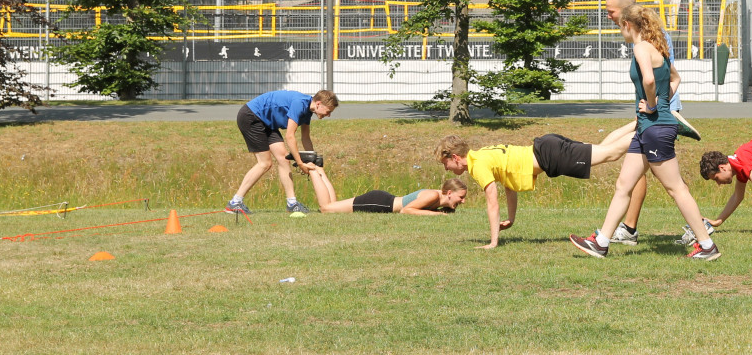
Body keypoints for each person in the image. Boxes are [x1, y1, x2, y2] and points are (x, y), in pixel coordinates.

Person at [570, 4, 720, 260]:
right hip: (646, 128)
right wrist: (661, 103)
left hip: (655, 128)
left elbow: (649, 81)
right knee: (623, 185)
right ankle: (602, 242)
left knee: (676, 189)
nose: (620, 32)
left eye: (620, 27)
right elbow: (675, 79)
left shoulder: (640, 48)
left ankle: (706, 246)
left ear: (628, 25)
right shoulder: (658, 48)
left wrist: (653, 105)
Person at [436, 122, 636, 249]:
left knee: (612, 153)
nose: (446, 169)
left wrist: (493, 242)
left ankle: (649, 129)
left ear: (455, 157)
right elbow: (509, 185)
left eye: (446, 164)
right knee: (604, 149)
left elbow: (492, 202)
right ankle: (638, 122)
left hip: (550, 156)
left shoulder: (477, 166)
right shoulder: (482, 154)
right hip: (547, 146)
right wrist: (511, 219)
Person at [602, 0, 700, 248]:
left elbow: (655, 78)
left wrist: (657, 106)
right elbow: (673, 76)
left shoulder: (644, 44)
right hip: (651, 118)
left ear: (626, 16)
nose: (607, 16)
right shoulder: (649, 37)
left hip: (658, 120)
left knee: (673, 185)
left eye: (610, 11)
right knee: (628, 181)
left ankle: (702, 235)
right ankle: (608, 238)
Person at [226, 89, 338, 216]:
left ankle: (292, 203)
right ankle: (235, 202)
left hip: (266, 122)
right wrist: (301, 163)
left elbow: (305, 138)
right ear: (318, 104)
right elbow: (290, 136)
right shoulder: (299, 104)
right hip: (251, 116)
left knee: (284, 158)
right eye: (328, 111)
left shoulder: (307, 111)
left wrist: (312, 160)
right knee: (265, 163)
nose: (329, 115)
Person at [307, 167, 468, 215]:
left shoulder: (439, 199)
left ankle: (320, 169)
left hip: (383, 201)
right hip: (381, 203)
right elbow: (406, 210)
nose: (463, 201)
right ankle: (313, 171)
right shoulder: (433, 195)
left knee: (333, 205)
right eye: (461, 197)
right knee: (326, 209)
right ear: (449, 193)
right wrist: (438, 215)